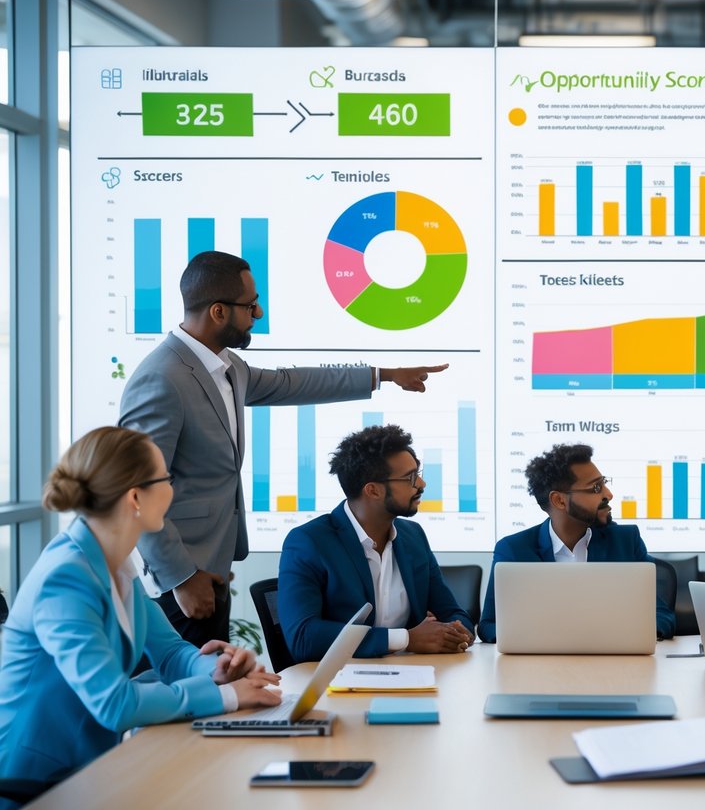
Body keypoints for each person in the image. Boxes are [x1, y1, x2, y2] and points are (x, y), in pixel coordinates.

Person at [119, 250, 449, 647]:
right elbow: (134, 490)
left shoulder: (226, 368)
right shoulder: (162, 378)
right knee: (186, 697)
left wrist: (384, 375)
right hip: (183, 582)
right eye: (250, 304)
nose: (258, 313)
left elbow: (292, 383)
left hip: (213, 569)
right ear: (219, 312)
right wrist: (182, 578)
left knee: (209, 690)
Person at [0, 427, 280, 790]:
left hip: (89, 772)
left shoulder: (114, 562)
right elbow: (114, 704)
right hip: (32, 785)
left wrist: (218, 671)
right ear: (135, 497)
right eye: (166, 477)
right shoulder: (66, 579)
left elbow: (172, 653)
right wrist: (226, 697)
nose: (172, 489)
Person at [278, 425, 475, 662]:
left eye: (418, 472)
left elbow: (452, 612)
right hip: (340, 683)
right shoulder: (309, 542)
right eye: (410, 478)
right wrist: (406, 639)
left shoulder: (413, 536)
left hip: (409, 676)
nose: (421, 484)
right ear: (372, 491)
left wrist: (457, 630)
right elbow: (303, 637)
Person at [478, 443, 675, 643]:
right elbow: (488, 625)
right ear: (559, 501)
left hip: (613, 663)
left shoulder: (625, 540)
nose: (608, 494)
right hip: (540, 666)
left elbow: (662, 615)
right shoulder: (513, 550)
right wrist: (537, 637)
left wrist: (635, 633)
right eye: (596, 487)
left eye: (604, 482)